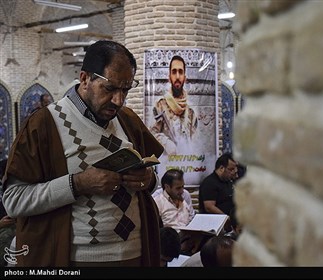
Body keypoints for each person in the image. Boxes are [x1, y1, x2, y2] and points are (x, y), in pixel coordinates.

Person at [2, 40, 164, 267]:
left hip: (135, 253)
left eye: (125, 89)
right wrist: (77, 184)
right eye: (109, 89)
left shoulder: (128, 121)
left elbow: (151, 178)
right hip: (77, 259)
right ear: (85, 78)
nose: (119, 100)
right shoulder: (45, 124)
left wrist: (148, 180)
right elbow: (14, 200)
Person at [150, 55, 198, 155]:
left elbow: (195, 139)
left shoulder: (191, 110)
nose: (177, 77)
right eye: (174, 72)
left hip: (187, 162)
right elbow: (152, 133)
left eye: (180, 72)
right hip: (167, 163)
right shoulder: (160, 105)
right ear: (169, 77)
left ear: (185, 78)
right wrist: (167, 143)